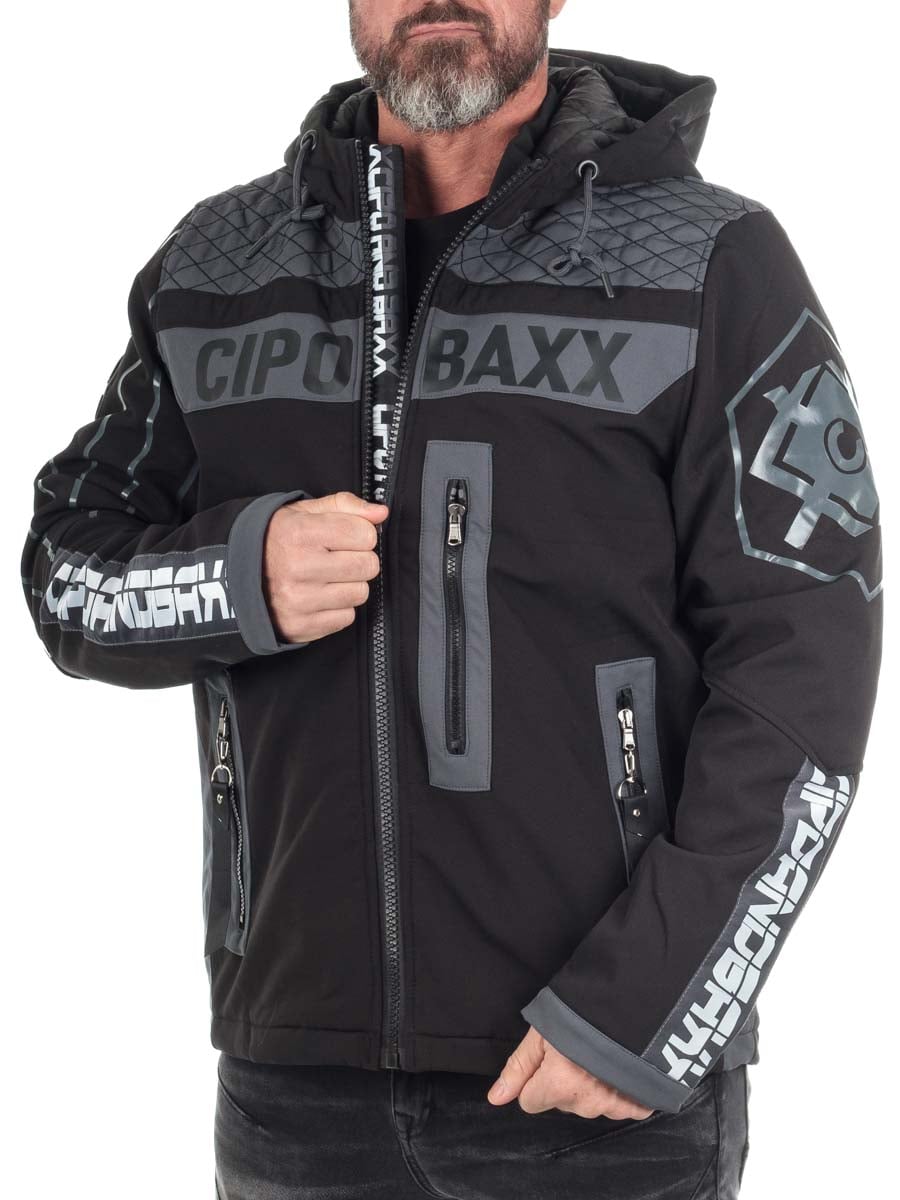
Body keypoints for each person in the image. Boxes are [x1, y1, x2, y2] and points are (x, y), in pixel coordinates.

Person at [21, 1, 882, 1197]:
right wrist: (235, 576)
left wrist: (655, 1003)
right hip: (293, 1090)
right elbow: (67, 569)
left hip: (594, 1087)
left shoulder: (707, 264)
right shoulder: (218, 269)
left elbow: (806, 658)